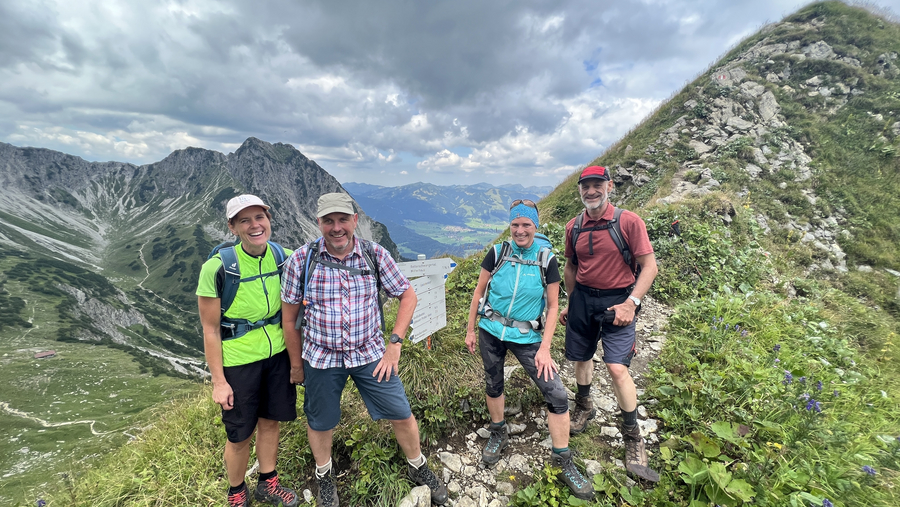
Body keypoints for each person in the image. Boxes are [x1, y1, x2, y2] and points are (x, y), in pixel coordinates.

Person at [280, 192, 448, 507]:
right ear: (319, 223)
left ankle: (417, 465)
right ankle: (324, 477)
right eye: (328, 221)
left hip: (370, 353)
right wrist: (296, 365)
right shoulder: (301, 260)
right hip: (320, 356)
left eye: (343, 219)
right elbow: (289, 320)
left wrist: (395, 344)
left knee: (401, 412)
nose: (336, 227)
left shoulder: (375, 254)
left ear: (355, 220)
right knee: (320, 421)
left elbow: (407, 296)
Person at [465, 199, 594, 500]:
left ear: (535, 227)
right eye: (515, 225)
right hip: (491, 331)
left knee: (557, 393)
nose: (520, 230)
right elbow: (478, 291)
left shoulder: (546, 259)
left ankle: (562, 459)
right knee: (493, 382)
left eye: (526, 225)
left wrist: (545, 347)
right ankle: (499, 431)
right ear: (509, 227)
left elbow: (552, 306)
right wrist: (471, 329)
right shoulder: (498, 252)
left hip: (527, 337)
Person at [197, 194, 300, 507]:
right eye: (245, 220)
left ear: (269, 219)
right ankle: (236, 490)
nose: (255, 225)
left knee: (270, 422)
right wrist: (219, 381)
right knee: (239, 435)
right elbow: (211, 329)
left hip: (278, 356)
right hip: (239, 363)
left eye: (260, 217)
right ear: (233, 227)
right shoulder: (216, 269)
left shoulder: (284, 257)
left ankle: (268, 483)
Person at [560, 165, 660, 482]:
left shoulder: (628, 222)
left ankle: (633, 435)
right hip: (583, 300)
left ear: (609, 186)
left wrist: (632, 302)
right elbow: (571, 266)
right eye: (585, 186)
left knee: (617, 367)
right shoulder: (573, 227)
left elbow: (649, 267)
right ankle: (584, 405)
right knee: (582, 357)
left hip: (620, 300)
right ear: (580, 190)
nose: (591, 191)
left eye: (597, 185)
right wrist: (571, 302)